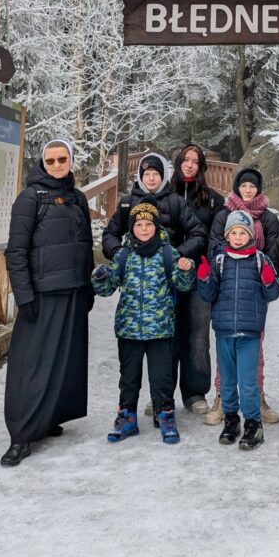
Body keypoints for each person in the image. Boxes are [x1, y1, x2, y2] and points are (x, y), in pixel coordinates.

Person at [2, 139, 94, 467]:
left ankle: (49, 416)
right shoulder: (30, 198)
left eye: (62, 159)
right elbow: (16, 251)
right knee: (32, 365)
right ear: (43, 163)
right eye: (51, 160)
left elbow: (85, 243)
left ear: (70, 160)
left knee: (65, 361)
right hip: (43, 293)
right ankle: (22, 433)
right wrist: (24, 295)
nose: (57, 165)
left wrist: (88, 285)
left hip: (73, 289)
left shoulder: (77, 198)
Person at [101, 151, 205, 417]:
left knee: (170, 340)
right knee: (137, 352)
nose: (151, 178)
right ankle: (152, 400)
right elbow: (110, 233)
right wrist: (119, 254)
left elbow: (197, 233)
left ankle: (168, 397)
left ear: (163, 176)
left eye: (156, 174)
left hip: (168, 278)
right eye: (146, 174)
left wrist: (177, 256)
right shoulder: (128, 203)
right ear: (140, 176)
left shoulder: (175, 201)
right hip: (138, 282)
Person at [92, 200, 196, 444]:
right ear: (131, 228)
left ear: (156, 226)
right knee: (129, 377)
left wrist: (185, 270)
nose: (144, 229)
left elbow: (183, 286)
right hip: (129, 329)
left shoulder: (168, 253)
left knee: (162, 376)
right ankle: (126, 417)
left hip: (160, 329)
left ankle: (165, 415)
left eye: (149, 224)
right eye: (139, 225)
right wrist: (100, 277)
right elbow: (107, 289)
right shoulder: (123, 255)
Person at [197, 210, 279, 450]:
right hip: (224, 330)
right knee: (227, 380)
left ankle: (253, 424)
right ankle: (231, 420)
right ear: (226, 236)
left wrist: (268, 280)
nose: (237, 237)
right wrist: (204, 279)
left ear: (250, 235)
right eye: (233, 233)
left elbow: (273, 293)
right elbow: (209, 294)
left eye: (242, 233)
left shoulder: (260, 259)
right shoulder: (219, 260)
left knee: (247, 382)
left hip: (249, 332)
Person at [205, 166, 279, 425]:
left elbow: (274, 253)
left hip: (254, 288)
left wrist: (264, 278)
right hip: (227, 286)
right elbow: (214, 247)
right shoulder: (223, 214)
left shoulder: (268, 218)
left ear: (258, 189)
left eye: (252, 186)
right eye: (244, 185)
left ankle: (256, 396)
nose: (248, 190)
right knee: (225, 351)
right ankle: (221, 397)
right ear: (237, 187)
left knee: (254, 348)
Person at [169, 145, 226, 415]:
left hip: (199, 275)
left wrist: (210, 267)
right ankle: (162, 391)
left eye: (195, 161)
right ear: (178, 163)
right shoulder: (164, 195)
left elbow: (217, 239)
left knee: (198, 335)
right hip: (169, 273)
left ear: (202, 167)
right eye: (185, 159)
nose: (189, 164)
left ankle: (195, 391)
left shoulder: (213, 200)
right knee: (166, 333)